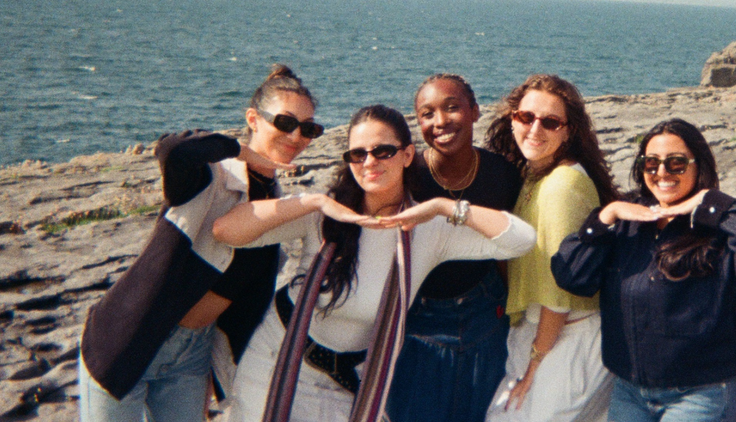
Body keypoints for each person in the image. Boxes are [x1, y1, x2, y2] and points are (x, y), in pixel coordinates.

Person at [212, 104, 536, 422]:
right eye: (358, 153)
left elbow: (521, 240)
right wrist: (312, 200)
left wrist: (443, 207)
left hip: (352, 378)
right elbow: (226, 232)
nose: (369, 162)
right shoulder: (323, 215)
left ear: (408, 155)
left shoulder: (428, 229)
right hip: (278, 357)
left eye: (383, 151)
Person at [78, 65, 323, 422]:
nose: (297, 136)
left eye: (309, 128)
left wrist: (217, 371)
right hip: (128, 343)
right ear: (253, 119)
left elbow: (244, 296)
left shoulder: (275, 196)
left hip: (192, 357)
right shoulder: (209, 177)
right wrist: (241, 152)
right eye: (285, 123)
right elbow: (173, 150)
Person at [552, 119, 736, 422]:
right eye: (651, 163)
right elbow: (571, 275)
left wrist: (708, 201)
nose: (662, 172)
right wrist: (606, 216)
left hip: (701, 393)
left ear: (697, 165)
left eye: (676, 163)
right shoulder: (628, 220)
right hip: (629, 390)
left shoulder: (716, 230)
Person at [483, 74, 620, 422]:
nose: (534, 129)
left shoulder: (562, 184)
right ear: (512, 117)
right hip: (541, 333)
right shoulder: (534, 174)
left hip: (565, 338)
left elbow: (559, 289)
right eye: (526, 117)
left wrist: (534, 365)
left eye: (550, 122)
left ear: (568, 131)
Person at [388, 74, 523, 422]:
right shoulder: (407, 175)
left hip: (485, 314)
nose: (440, 121)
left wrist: (514, 313)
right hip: (418, 319)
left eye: (452, 108)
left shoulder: (501, 174)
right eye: (426, 114)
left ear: (475, 111)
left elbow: (507, 251)